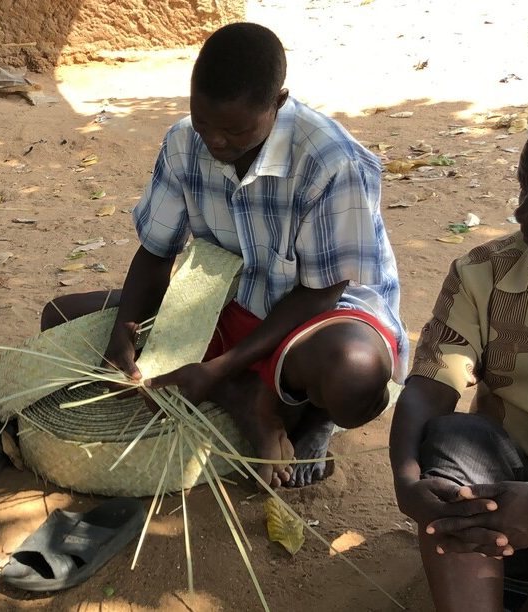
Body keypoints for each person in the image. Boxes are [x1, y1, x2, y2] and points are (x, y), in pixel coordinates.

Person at [41, 23, 407, 487]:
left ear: (277, 102)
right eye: (203, 122)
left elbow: (320, 292)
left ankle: (305, 414)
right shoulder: (182, 142)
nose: (214, 141)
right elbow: (156, 253)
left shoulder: (331, 161)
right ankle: (249, 393)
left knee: (353, 375)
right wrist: (124, 334)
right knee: (59, 316)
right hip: (217, 304)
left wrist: (215, 368)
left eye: (234, 130)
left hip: (315, 316)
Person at [390, 73, 528, 612]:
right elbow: (430, 385)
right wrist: (407, 480)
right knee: (454, 438)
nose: (524, 212)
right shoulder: (486, 272)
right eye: (524, 187)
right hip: (505, 513)